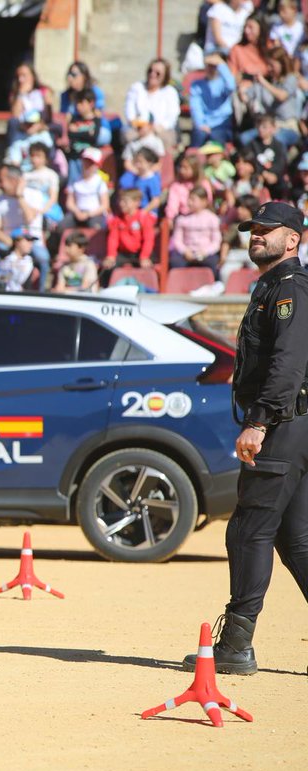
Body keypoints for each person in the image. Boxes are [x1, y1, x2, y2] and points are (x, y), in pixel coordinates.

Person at [184, 200, 308, 675]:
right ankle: (237, 641)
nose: (255, 235)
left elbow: (288, 363)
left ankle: (236, 644)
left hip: (283, 423)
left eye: (266, 230)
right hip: (294, 423)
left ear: (292, 239)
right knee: (296, 538)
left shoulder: (290, 289)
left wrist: (260, 421)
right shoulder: (273, 286)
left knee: (249, 530)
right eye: (253, 229)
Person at [123, 58, 181, 149]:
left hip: (161, 130)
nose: (152, 74)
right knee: (129, 137)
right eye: (150, 71)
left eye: (157, 73)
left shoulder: (170, 92)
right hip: (138, 128)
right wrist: (142, 127)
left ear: (165, 76)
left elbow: (172, 117)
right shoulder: (136, 88)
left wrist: (153, 129)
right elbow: (130, 114)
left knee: (165, 140)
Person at [190, 52, 237, 147]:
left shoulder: (224, 83)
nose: (211, 68)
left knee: (216, 140)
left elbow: (232, 86)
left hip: (221, 125)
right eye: (209, 65)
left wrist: (221, 65)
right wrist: (201, 124)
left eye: (214, 66)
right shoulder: (196, 85)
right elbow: (195, 107)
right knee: (198, 136)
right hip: (203, 125)